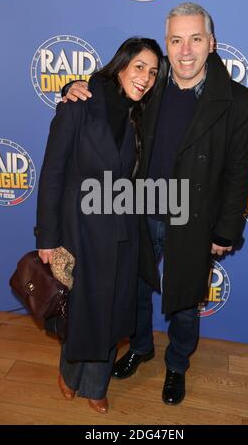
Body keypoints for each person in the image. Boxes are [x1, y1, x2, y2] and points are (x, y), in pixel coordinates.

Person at [63, 2, 248, 406]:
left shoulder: (240, 103)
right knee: (132, 288)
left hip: (194, 215)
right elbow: (107, 90)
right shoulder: (149, 83)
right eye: (176, 40)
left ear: (211, 43)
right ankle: (140, 346)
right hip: (140, 207)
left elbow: (239, 172)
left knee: (184, 298)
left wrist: (226, 230)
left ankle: (177, 364)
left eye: (195, 39)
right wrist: (72, 88)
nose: (185, 51)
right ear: (167, 44)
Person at [35, 37, 164, 414]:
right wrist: (48, 236)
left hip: (121, 227)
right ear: (120, 65)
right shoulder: (80, 102)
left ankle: (96, 383)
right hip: (78, 227)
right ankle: (70, 374)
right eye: (139, 66)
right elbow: (53, 173)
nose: (146, 77)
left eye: (153, 72)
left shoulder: (142, 112)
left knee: (111, 310)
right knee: (80, 308)